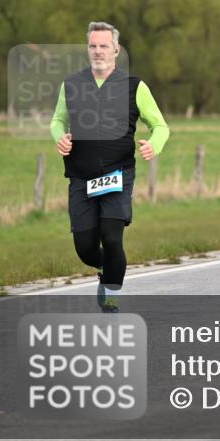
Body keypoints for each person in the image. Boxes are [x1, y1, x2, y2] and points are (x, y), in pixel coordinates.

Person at [51, 21, 170, 312]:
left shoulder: (135, 87)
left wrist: (154, 144)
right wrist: (60, 138)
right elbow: (57, 120)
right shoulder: (72, 85)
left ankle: (112, 291)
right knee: (85, 247)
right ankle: (107, 267)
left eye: (104, 46)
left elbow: (160, 125)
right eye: (92, 46)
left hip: (118, 174)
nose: (97, 51)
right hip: (81, 176)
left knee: (112, 237)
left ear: (116, 49)